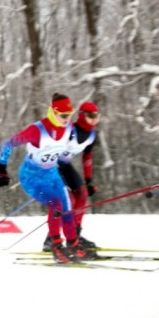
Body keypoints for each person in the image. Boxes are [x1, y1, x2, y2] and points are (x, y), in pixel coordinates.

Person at [0, 93, 94, 263]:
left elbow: (72, 146)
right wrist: (1, 170)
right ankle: (56, 246)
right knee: (56, 205)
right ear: (53, 112)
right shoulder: (37, 130)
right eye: (63, 115)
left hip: (51, 174)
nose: (66, 119)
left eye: (69, 115)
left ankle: (73, 244)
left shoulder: (69, 128)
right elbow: (8, 143)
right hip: (31, 176)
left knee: (67, 207)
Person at [40, 101, 101, 251]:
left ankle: (75, 235)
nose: (93, 119)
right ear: (81, 116)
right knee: (67, 199)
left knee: (82, 195)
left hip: (65, 165)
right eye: (90, 116)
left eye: (96, 116)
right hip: (52, 165)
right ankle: (51, 240)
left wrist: (88, 180)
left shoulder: (92, 135)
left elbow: (87, 157)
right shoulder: (69, 130)